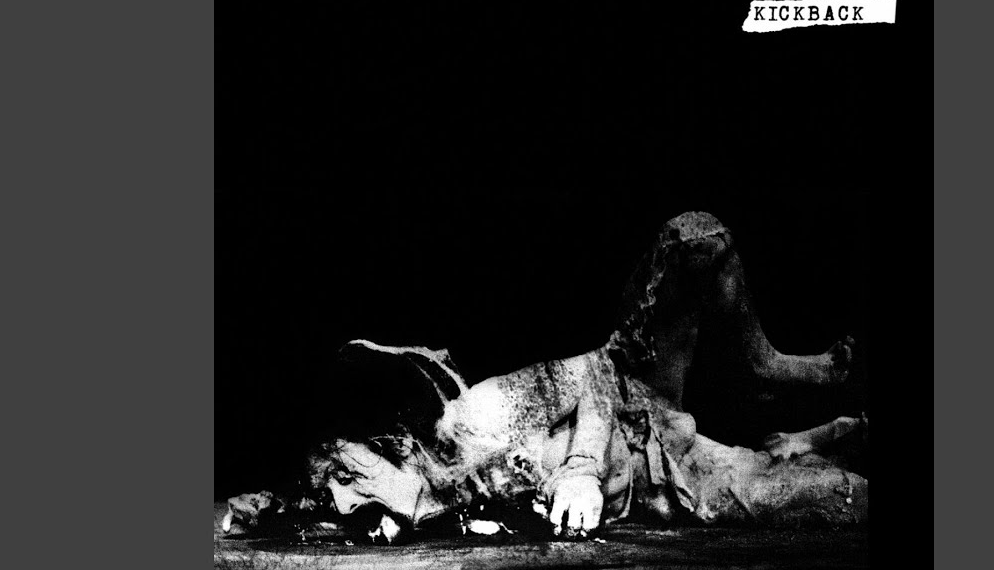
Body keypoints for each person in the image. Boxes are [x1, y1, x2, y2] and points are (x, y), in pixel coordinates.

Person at [217, 212, 867, 542]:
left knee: (694, 237)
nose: (343, 500)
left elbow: (593, 371)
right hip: (653, 475)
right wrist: (263, 510)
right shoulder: (391, 502)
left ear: (398, 444)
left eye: (351, 477)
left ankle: (772, 372)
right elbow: (312, 497)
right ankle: (807, 441)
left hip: (641, 426)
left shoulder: (472, 419)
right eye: (336, 491)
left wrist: (580, 470)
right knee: (836, 494)